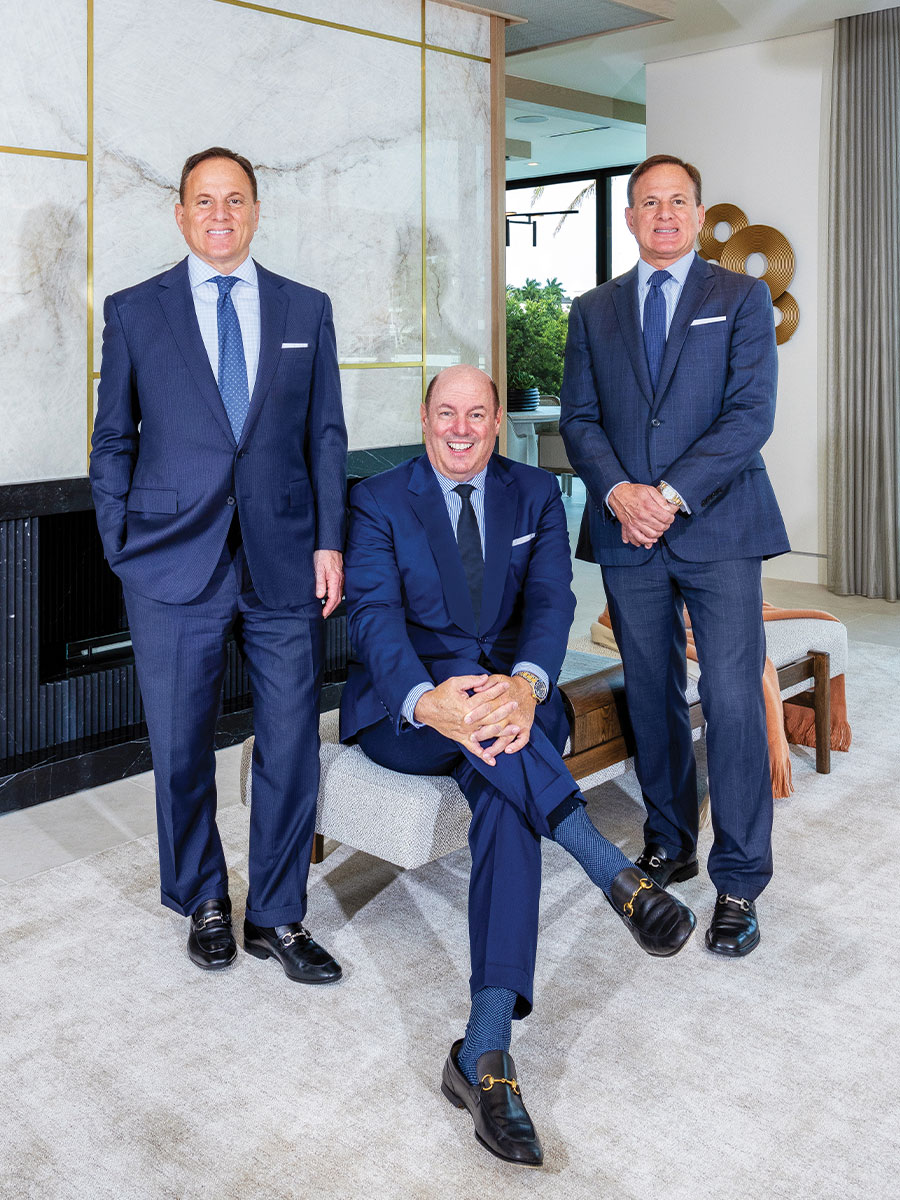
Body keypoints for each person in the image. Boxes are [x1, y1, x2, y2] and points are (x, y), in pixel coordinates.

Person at [339, 364, 695, 1168]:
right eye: (446, 413)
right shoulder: (379, 498)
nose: (460, 429)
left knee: (503, 792)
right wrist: (428, 699)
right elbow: (372, 616)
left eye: (477, 414)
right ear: (424, 418)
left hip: (514, 702)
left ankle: (485, 1053)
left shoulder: (534, 492)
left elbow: (552, 600)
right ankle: (607, 867)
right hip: (411, 712)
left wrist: (528, 684)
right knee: (502, 761)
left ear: (498, 421)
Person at [90, 147, 347, 983]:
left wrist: (329, 540)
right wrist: (121, 543)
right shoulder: (135, 310)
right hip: (169, 561)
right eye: (205, 201)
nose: (220, 215)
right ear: (181, 214)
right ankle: (202, 897)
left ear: (257, 210)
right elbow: (112, 439)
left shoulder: (306, 308)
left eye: (235, 199)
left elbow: (325, 436)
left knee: (291, 744)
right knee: (180, 747)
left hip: (284, 560)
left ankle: (276, 914)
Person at [559, 154, 790, 959]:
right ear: (629, 217)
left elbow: (750, 413)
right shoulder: (592, 309)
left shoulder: (741, 297)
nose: (664, 214)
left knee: (731, 698)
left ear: (697, 215)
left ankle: (739, 881)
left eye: (678, 201)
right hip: (627, 531)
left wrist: (670, 493)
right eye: (649, 202)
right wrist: (622, 492)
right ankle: (670, 840)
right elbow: (579, 418)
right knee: (651, 693)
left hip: (719, 526)